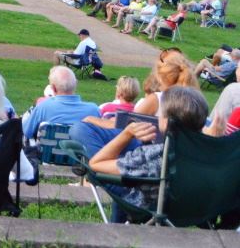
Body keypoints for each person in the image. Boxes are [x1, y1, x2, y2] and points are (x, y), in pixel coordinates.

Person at [88, 86, 214, 223]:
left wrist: (127, 134)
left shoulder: (154, 155)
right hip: (194, 212)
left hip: (150, 211)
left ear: (165, 121)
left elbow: (95, 163)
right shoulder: (211, 153)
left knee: (123, 191)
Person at [23, 66, 100, 140]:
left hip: (48, 153)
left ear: (53, 88)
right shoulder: (93, 110)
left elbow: (27, 132)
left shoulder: (43, 107)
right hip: (81, 153)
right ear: (76, 84)